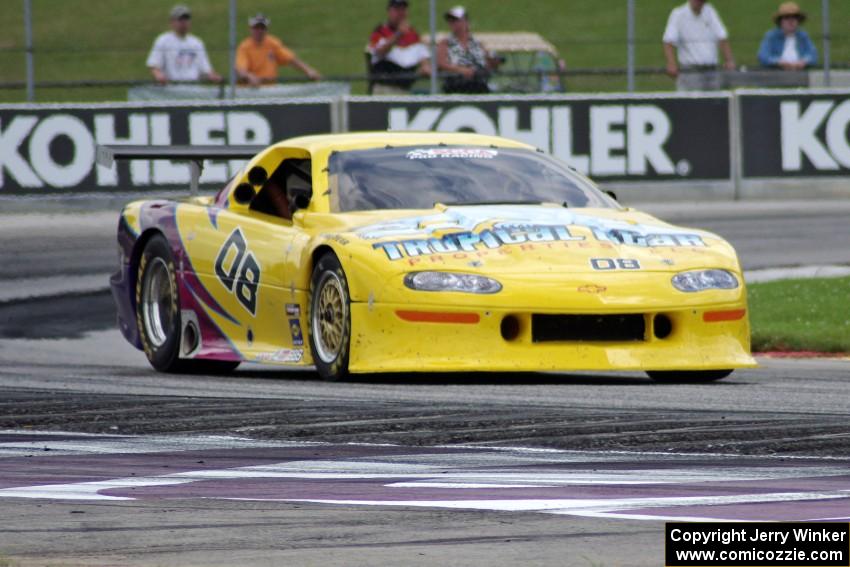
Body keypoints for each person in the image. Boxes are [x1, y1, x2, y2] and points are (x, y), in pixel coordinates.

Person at [662, 0, 735, 91]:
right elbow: (668, 41)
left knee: (714, 103)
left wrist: (729, 60)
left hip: (712, 70)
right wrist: (671, 63)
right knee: (691, 103)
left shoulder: (710, 12)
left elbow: (722, 37)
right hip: (690, 72)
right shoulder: (678, 14)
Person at [236, 13, 321, 86]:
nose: (259, 31)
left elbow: (291, 59)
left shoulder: (272, 43)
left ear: (266, 29)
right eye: (256, 28)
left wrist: (308, 71)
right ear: (250, 29)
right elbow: (241, 70)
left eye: (262, 28)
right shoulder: (244, 47)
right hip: (250, 91)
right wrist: (249, 76)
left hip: (270, 90)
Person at [367, 0, 431, 95]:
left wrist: (425, 67)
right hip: (384, 87)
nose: (400, 13)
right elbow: (379, 51)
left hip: (405, 89)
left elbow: (422, 56)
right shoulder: (380, 31)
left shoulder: (413, 33)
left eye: (403, 10)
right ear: (389, 12)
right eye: (397, 10)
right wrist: (398, 34)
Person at [146, 5, 221, 84]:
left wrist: (214, 76)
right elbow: (154, 65)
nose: (184, 23)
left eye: (186, 19)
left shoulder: (197, 43)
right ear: (172, 22)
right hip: (170, 90)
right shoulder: (163, 40)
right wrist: (159, 75)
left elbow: (206, 70)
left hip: (193, 90)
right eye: (180, 20)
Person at [437, 6, 498, 94]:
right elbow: (441, 63)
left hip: (478, 82)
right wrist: (461, 70)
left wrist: (493, 61)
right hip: (454, 83)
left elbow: (486, 63)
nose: (453, 24)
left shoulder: (477, 43)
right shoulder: (445, 43)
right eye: (451, 21)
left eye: (456, 20)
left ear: (466, 22)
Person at [758, 2, 818, 70]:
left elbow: (813, 55)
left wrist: (804, 61)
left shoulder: (803, 36)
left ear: (798, 21)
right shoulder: (771, 36)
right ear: (780, 21)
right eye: (787, 17)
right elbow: (763, 56)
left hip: (800, 74)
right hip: (776, 74)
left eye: (794, 17)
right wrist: (779, 62)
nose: (791, 21)